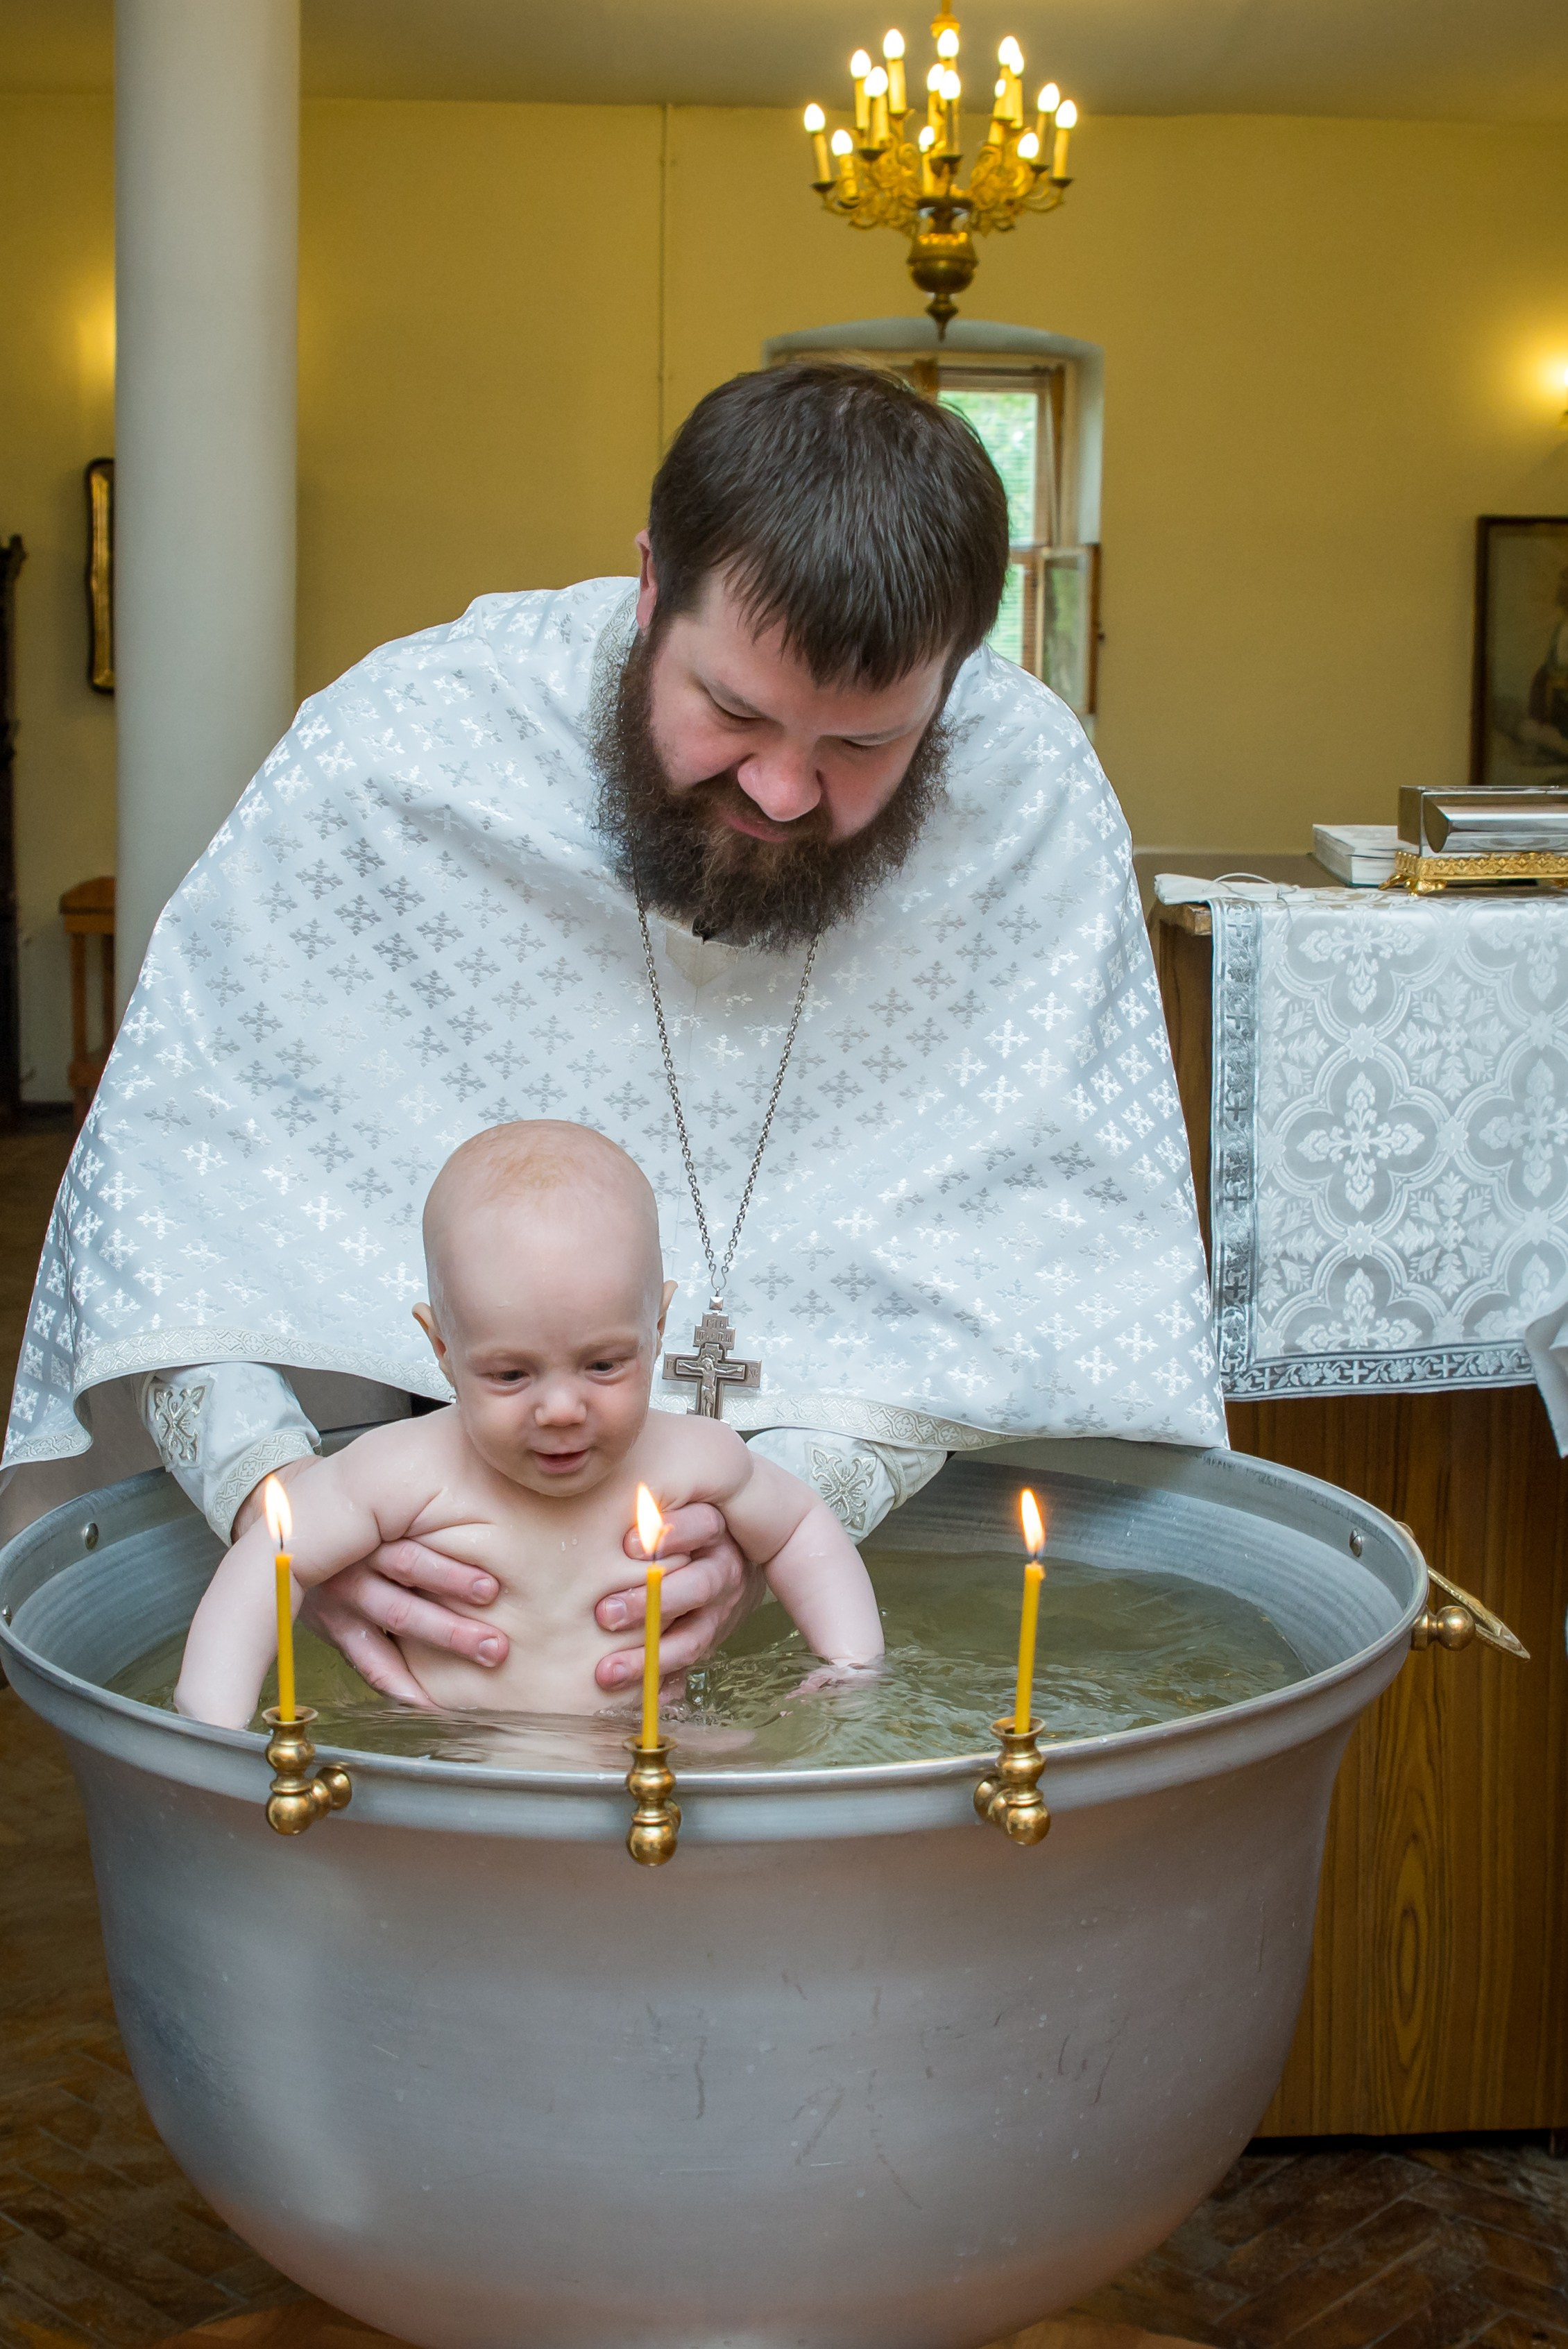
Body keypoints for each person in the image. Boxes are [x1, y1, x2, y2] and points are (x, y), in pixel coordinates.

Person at [5, 362, 1223, 1702]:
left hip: (895, 1525)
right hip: (431, 1534)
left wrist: (782, 1502)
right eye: (737, 712)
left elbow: (1041, 1231)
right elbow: (173, 1180)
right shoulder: (405, 751)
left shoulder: (1025, 797)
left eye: (864, 745)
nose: (781, 787)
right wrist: (280, 1500)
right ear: (651, 587)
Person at [175, 1122, 881, 1729]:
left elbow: (798, 1527)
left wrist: (850, 1664)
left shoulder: (694, 1457)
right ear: (442, 1348)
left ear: (657, 1326)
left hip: (658, 1741)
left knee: (743, 1779)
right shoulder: (398, 1471)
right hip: (460, 1747)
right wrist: (213, 1723)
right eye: (511, 1374)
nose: (562, 1409)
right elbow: (270, 1559)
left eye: (603, 1364)